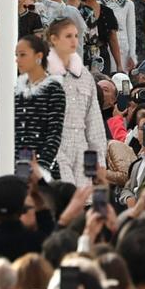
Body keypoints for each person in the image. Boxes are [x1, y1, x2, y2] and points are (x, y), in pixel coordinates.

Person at [46, 17, 107, 186]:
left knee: (84, 199)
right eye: (68, 36)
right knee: (62, 195)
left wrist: (100, 160)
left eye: (76, 36)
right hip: (52, 146)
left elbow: (94, 121)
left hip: (81, 146)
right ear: (53, 39)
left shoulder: (85, 76)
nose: (74, 41)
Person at [14, 35, 65, 178]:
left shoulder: (53, 88)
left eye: (23, 55)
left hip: (44, 168)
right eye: (17, 55)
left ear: (38, 56)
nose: (18, 60)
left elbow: (55, 132)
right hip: (18, 168)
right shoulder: (17, 90)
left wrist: (42, 168)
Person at [102, 0, 138, 70]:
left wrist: (132, 54)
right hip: (105, 47)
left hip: (123, 47)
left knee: (121, 78)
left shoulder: (128, 4)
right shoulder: (100, 3)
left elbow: (131, 31)